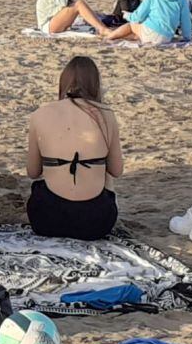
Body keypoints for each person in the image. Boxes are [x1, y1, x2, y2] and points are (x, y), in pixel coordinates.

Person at [26, 56, 123, 240]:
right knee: (105, 170)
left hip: (47, 219)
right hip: (96, 222)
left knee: (45, 178)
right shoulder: (106, 114)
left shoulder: (40, 114)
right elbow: (117, 170)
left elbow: (32, 172)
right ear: (95, 84)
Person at [105, 0, 191, 45]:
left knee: (131, 26)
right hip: (167, 37)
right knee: (138, 33)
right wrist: (187, 37)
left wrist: (127, 15)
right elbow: (185, 20)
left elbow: (138, 17)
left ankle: (109, 37)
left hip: (152, 32)